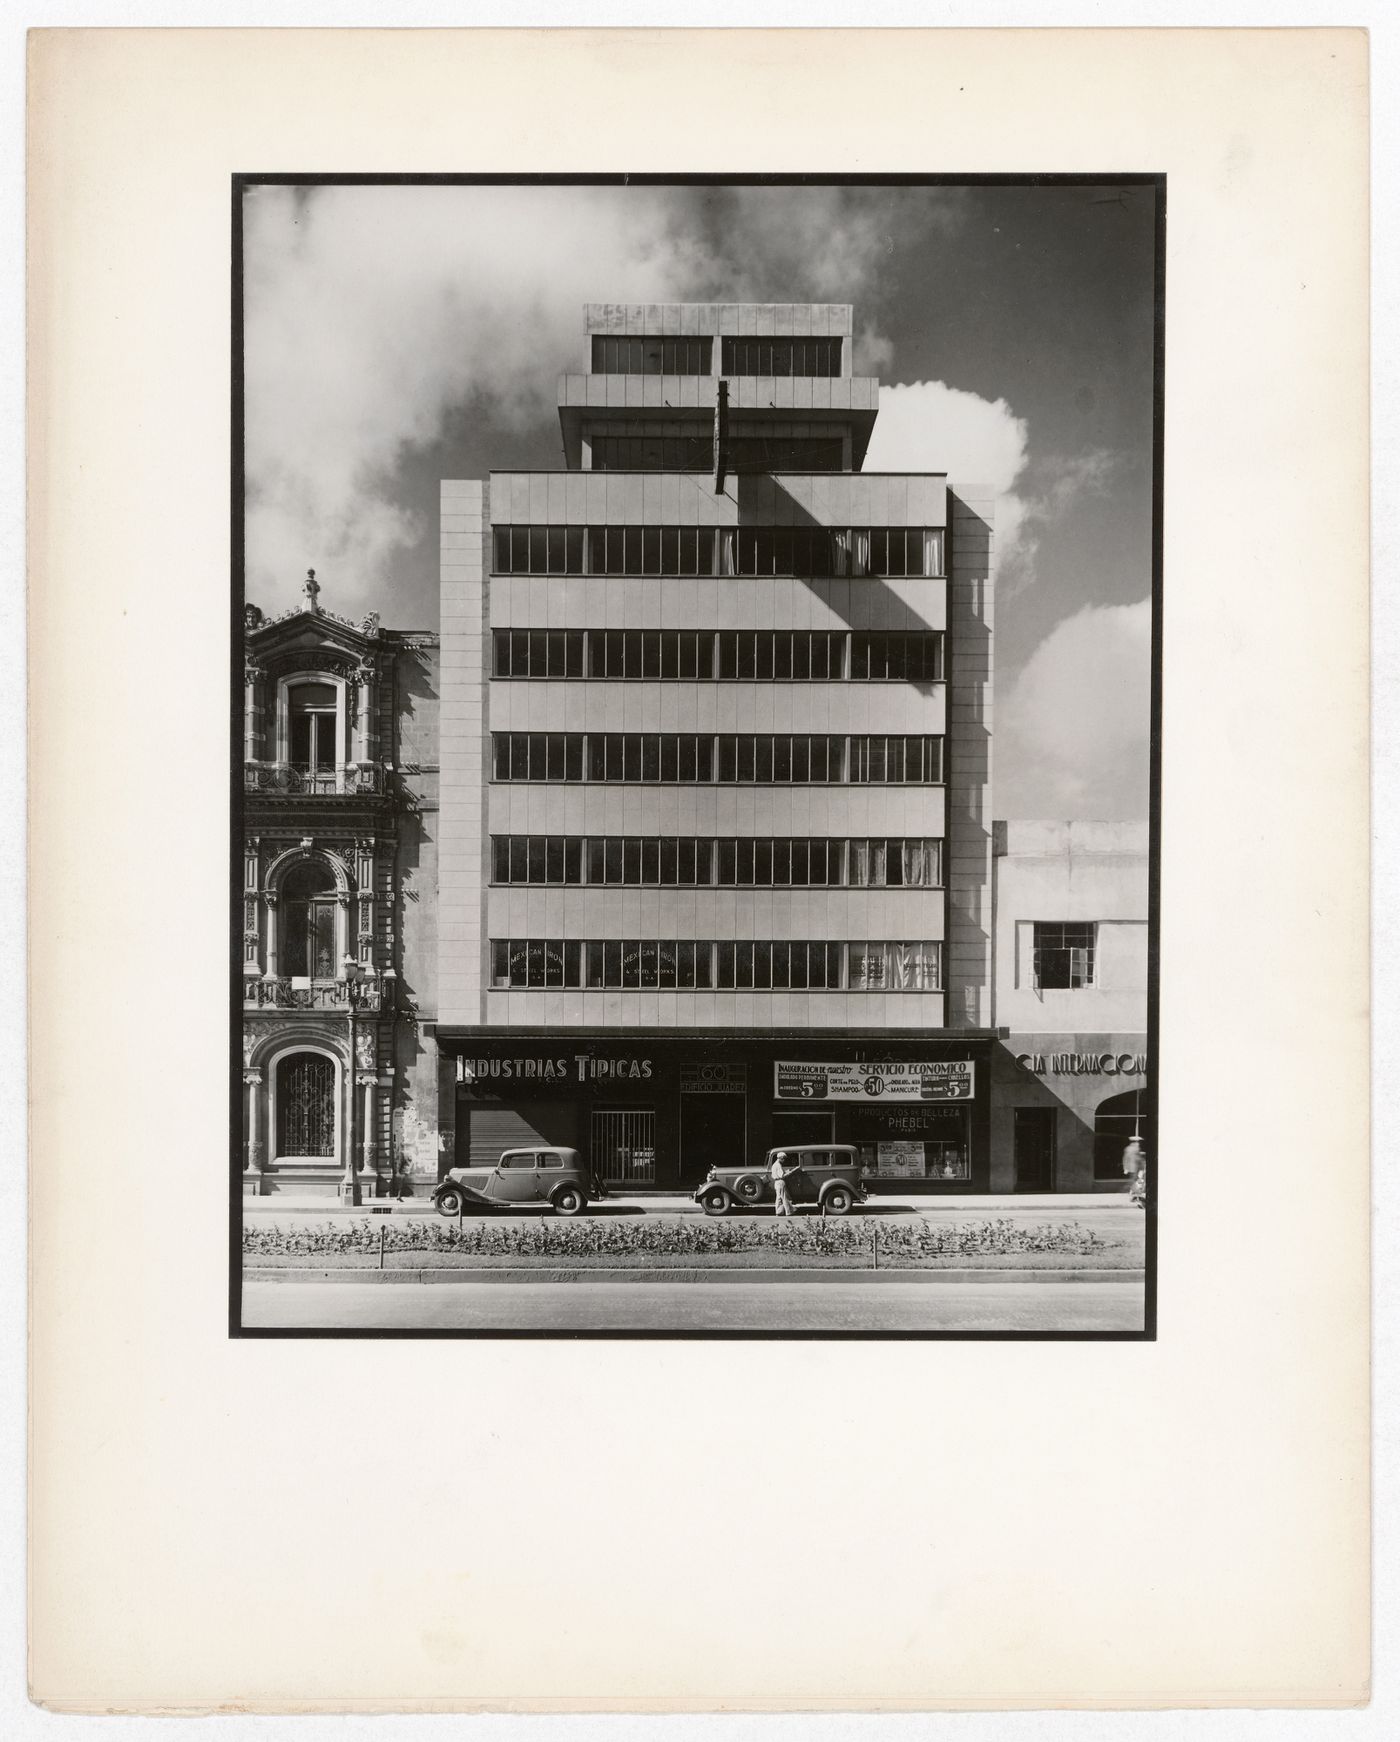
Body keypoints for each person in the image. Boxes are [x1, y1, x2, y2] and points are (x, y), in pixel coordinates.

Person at [770, 1149, 795, 1217]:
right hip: (780, 1182)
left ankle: (779, 1211)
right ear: (780, 1158)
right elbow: (782, 1176)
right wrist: (789, 1173)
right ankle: (788, 1211)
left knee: (779, 1198)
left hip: (776, 1182)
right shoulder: (778, 1165)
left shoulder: (774, 1165)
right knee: (784, 1197)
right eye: (783, 1158)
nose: (784, 1160)